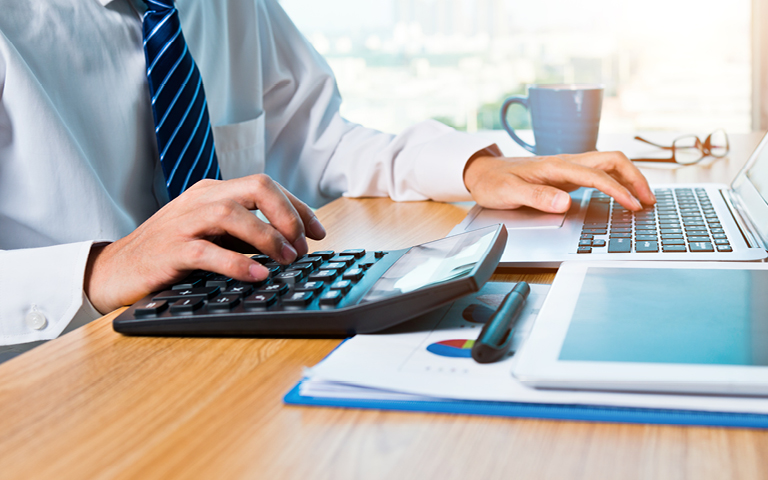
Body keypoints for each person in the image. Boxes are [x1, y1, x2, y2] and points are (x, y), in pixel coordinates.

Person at [0, 0, 655, 356]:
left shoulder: (226, 7)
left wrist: (475, 169)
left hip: (220, 340)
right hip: (57, 367)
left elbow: (320, 137)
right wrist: (96, 269)